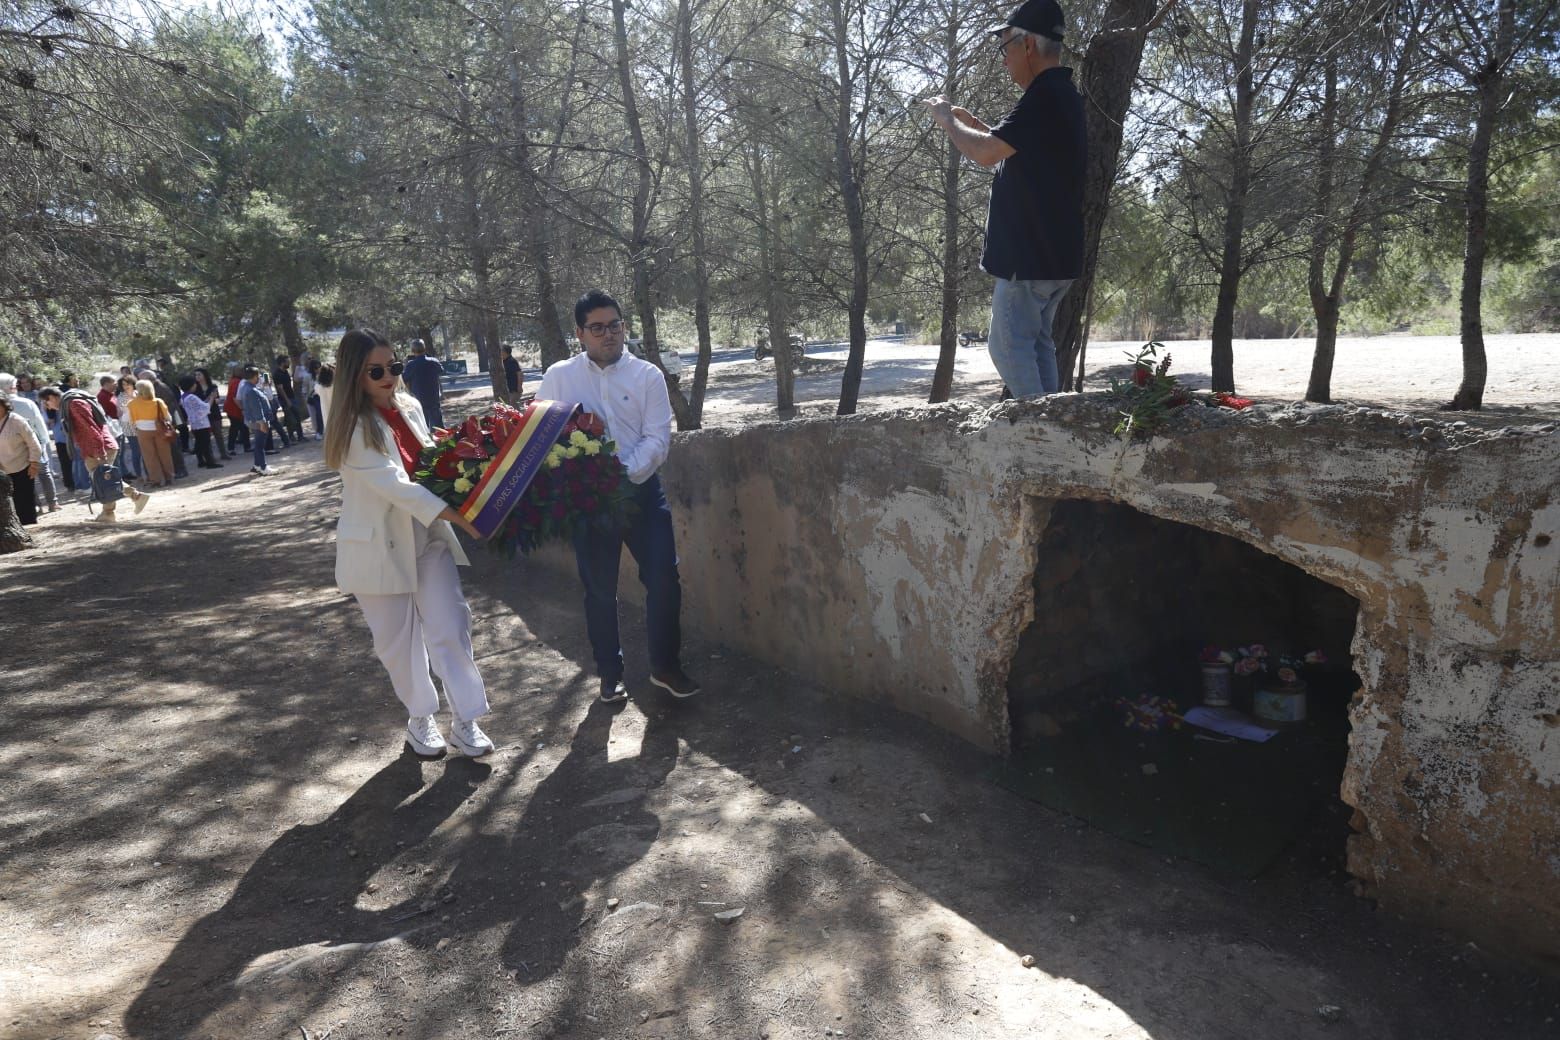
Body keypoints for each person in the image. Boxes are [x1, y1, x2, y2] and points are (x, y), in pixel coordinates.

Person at [324, 327, 495, 758]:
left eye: (394, 367)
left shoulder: (411, 405)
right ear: (353, 375)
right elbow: (397, 486)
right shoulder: (350, 427)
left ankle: (465, 720)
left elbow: (430, 463)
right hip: (377, 546)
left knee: (451, 626)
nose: (388, 377)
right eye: (375, 370)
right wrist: (466, 518)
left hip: (426, 537)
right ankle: (420, 718)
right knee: (398, 644)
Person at [537, 289, 701, 703]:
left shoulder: (647, 375)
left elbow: (657, 439)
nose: (608, 334)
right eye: (597, 328)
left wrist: (618, 478)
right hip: (588, 506)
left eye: (615, 325)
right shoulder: (559, 377)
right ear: (580, 333)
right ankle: (610, 674)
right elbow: (540, 438)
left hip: (642, 495)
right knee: (598, 590)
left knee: (664, 577)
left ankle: (666, 667)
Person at [921, 0, 1085, 398]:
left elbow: (986, 153)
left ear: (1027, 45)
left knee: (1008, 346)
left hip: (1028, 260)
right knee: (1037, 343)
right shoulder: (1061, 94)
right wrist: (976, 126)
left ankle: (1041, 434)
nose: (1004, 59)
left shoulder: (1043, 97)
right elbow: (1020, 153)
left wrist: (948, 120)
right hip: (1054, 258)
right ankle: (1054, 420)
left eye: (1005, 47)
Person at [61, 384, 149, 522]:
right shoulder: (74, 402)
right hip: (97, 447)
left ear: (51, 398)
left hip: (98, 448)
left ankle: (108, 514)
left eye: (45, 401)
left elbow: (90, 428)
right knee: (104, 480)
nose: (45, 405)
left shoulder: (73, 404)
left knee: (103, 481)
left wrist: (99, 451)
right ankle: (135, 497)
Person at [0, 373, 59, 512]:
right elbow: (39, 423)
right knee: (44, 473)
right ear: (10, 387)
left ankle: (35, 505)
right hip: (34, 442)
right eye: (15, 385)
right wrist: (44, 443)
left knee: (24, 478)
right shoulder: (26, 402)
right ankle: (53, 503)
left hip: (12, 448)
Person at [0, 390, 44, 526]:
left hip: (23, 468)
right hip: (2, 471)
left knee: (25, 502)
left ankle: (30, 528)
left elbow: (33, 443)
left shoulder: (16, 420)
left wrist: (34, 464)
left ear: (4, 405)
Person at [127, 379, 177, 487]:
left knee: (149, 457)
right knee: (165, 455)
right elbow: (168, 417)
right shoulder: (158, 401)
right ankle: (169, 478)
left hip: (143, 431)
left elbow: (132, 421)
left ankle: (156, 480)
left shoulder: (132, 404)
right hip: (160, 430)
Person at [179, 376, 223, 469]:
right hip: (201, 422)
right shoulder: (192, 397)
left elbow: (201, 405)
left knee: (199, 442)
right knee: (205, 443)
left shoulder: (183, 397)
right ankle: (210, 462)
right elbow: (205, 408)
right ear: (191, 385)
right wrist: (211, 398)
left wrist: (208, 399)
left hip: (194, 422)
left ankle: (201, 461)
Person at [401, 339, 444, 430]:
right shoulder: (434, 361)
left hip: (419, 401)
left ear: (412, 351)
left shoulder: (411, 365)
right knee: (439, 430)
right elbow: (441, 370)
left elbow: (403, 379)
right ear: (425, 348)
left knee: (422, 429)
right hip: (434, 399)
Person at [37, 388, 75, 492]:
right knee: (66, 461)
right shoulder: (52, 404)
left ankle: (72, 482)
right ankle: (70, 483)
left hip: (65, 437)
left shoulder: (65, 402)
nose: (46, 402)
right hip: (61, 436)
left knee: (69, 460)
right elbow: (49, 420)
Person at [238, 366, 273, 475]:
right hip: (258, 422)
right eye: (258, 376)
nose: (259, 377)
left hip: (253, 421)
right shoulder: (251, 390)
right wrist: (262, 423)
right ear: (254, 376)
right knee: (260, 445)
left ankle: (257, 466)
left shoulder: (245, 387)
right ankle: (263, 467)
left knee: (258, 444)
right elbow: (257, 408)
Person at [113, 375, 145, 481]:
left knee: (145, 451)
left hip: (142, 425)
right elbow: (127, 410)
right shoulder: (122, 397)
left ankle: (148, 474)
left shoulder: (137, 393)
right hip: (130, 427)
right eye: (123, 384)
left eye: (128, 384)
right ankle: (139, 475)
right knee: (136, 451)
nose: (126, 386)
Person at [272, 355, 305, 443]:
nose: (289, 363)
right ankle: (291, 437)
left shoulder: (285, 372)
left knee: (297, 416)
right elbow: (280, 388)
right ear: (282, 362)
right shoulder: (277, 374)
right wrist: (287, 400)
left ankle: (300, 436)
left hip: (291, 397)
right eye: (287, 361)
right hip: (285, 399)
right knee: (289, 418)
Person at [224, 368, 251, 456]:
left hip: (233, 408)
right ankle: (233, 448)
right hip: (234, 409)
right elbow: (235, 397)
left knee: (239, 428)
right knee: (237, 428)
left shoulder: (234, 380)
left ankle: (243, 446)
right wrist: (242, 408)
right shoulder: (237, 382)